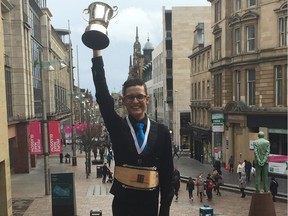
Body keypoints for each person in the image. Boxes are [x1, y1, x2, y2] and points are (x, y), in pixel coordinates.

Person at [91, 50, 174, 216]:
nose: (135, 101)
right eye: (130, 97)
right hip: (123, 206)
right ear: (123, 100)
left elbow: (167, 175)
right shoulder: (117, 127)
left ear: (147, 99)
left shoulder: (162, 132)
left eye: (139, 97)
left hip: (150, 206)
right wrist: (96, 52)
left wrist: (164, 210)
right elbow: (103, 97)